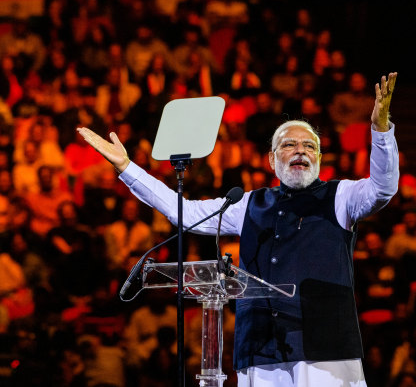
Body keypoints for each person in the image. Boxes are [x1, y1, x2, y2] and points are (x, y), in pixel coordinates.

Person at [77, 72, 399, 386]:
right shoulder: (248, 203)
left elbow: (383, 188)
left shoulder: (342, 196)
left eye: (309, 145)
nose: (300, 150)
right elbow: (186, 214)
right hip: (259, 346)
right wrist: (126, 167)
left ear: (319, 158)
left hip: (324, 350)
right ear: (272, 160)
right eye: (289, 144)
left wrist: (380, 130)